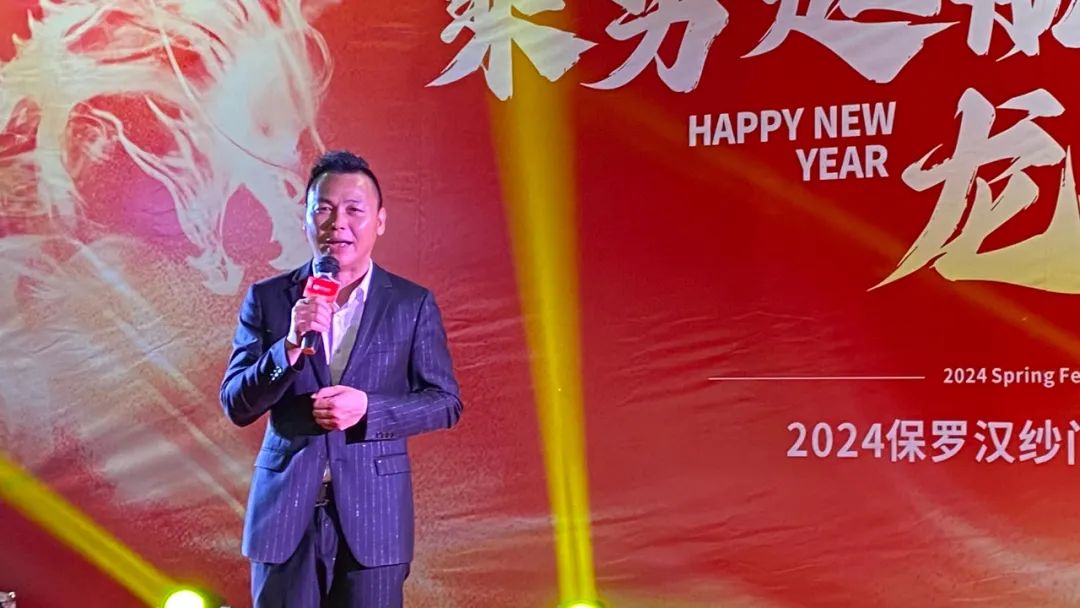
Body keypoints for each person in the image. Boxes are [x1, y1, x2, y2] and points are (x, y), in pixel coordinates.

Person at [220, 150, 462, 607]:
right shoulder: (269, 299)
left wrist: (369, 408)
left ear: (380, 221)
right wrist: (289, 345)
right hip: (284, 514)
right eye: (324, 210)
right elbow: (236, 403)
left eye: (354, 210)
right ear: (306, 219)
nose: (338, 224)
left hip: (375, 517)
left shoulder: (410, 303)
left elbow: (445, 401)